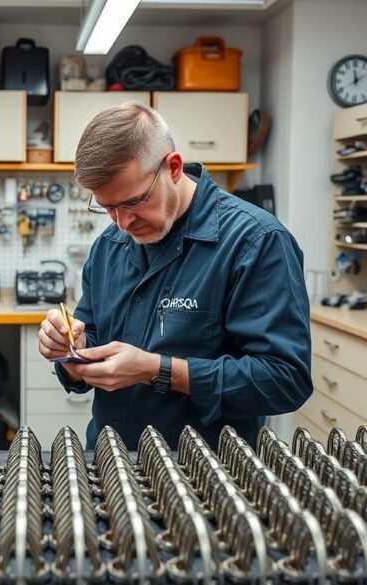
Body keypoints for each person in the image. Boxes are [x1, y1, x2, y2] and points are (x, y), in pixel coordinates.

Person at [37, 101, 312, 451]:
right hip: (110, 464)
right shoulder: (109, 246)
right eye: (108, 208)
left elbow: (284, 381)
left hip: (207, 476)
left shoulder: (256, 242)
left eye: (134, 202)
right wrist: (70, 354)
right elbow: (90, 338)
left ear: (174, 167)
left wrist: (156, 370)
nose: (122, 223)